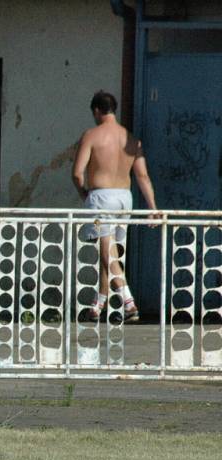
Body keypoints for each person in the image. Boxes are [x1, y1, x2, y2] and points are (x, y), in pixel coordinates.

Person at [72, 90, 158, 322]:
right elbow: (142, 176)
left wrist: (86, 197)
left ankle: (129, 302)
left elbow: (77, 173)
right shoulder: (131, 139)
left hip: (102, 197)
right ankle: (99, 303)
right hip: (124, 198)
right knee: (111, 251)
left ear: (97, 111)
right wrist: (152, 207)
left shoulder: (91, 135)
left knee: (106, 252)